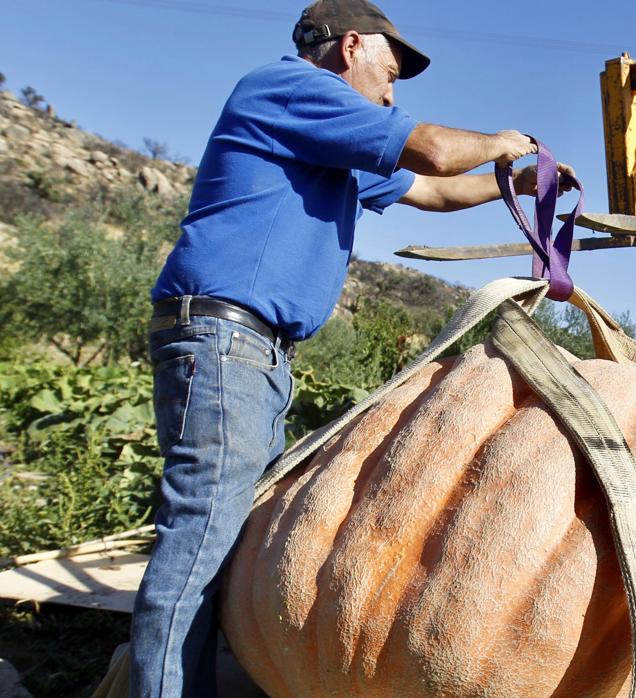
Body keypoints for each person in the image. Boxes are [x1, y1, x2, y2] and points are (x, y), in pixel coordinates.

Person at [132, 1, 575, 694]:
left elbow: (428, 188)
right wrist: (502, 141)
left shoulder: (326, 136)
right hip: (225, 341)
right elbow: (429, 149)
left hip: (255, 352)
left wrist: (512, 183)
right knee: (202, 543)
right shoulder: (291, 90)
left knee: (233, 547)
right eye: (391, 74)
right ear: (352, 46)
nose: (393, 93)